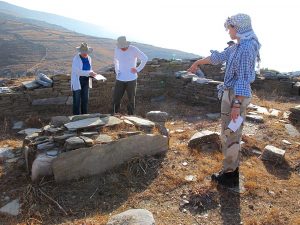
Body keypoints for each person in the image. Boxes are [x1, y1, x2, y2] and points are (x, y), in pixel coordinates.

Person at [188, 13, 261, 187]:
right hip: (229, 93)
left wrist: (236, 105)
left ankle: (230, 175)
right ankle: (230, 170)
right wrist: (197, 63)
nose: (228, 31)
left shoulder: (246, 47)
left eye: (230, 27)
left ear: (239, 28)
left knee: (232, 134)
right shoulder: (237, 46)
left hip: (237, 96)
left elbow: (243, 79)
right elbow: (217, 57)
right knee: (227, 133)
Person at [112, 36, 148, 115]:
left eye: (123, 47)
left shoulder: (133, 49)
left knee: (131, 99)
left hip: (131, 78)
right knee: (116, 99)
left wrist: (137, 69)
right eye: (121, 47)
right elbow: (115, 61)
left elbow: (145, 58)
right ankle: (115, 115)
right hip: (120, 78)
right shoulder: (117, 49)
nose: (122, 48)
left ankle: (131, 116)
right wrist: (117, 71)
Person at [71, 42, 97, 115]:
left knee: (85, 100)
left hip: (86, 81)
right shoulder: (76, 59)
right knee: (76, 101)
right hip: (78, 81)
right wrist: (89, 73)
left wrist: (93, 73)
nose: (85, 53)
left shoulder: (89, 58)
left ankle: (84, 116)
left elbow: (90, 69)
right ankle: (76, 118)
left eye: (86, 52)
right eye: (83, 52)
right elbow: (77, 71)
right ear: (80, 51)